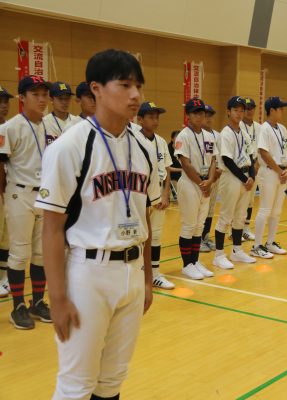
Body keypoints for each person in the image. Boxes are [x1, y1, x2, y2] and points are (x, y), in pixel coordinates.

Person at [37, 49, 160, 400]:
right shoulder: (70, 147)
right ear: (96, 89)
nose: (135, 95)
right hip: (88, 274)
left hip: (132, 271)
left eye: (138, 86)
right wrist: (57, 297)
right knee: (76, 384)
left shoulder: (144, 148)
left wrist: (146, 280)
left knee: (112, 381)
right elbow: (52, 227)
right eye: (125, 85)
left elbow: (144, 216)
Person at [0, 75, 53, 329]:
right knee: (20, 252)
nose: (42, 99)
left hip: (44, 195)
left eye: (45, 94)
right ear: (22, 98)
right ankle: (18, 306)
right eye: (36, 94)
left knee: (41, 253)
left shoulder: (50, 126)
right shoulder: (10, 128)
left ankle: (38, 301)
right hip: (19, 193)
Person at [174, 98, 218, 279]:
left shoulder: (209, 136)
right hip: (190, 184)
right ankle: (187, 265)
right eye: (195, 113)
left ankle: (195, 260)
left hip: (206, 184)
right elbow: (185, 163)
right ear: (188, 115)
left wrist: (210, 181)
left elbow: (214, 160)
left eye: (202, 113)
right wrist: (202, 183)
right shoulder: (183, 136)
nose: (200, 116)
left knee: (199, 226)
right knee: (189, 225)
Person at [212, 96, 257, 269]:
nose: (239, 113)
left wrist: (251, 176)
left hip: (245, 177)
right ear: (228, 112)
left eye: (241, 110)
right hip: (231, 177)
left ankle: (237, 251)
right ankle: (218, 255)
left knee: (240, 216)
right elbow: (227, 160)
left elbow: (251, 157)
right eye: (235, 110)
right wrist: (245, 179)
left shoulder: (244, 133)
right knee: (226, 216)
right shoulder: (225, 133)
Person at [137, 101, 175, 289]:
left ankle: (155, 273)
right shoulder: (134, 139)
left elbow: (167, 169)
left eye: (157, 117)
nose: (155, 121)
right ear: (140, 119)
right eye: (151, 117)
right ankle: (139, 274)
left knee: (157, 236)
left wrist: (165, 194)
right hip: (140, 195)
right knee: (140, 236)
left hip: (158, 192)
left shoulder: (160, 141)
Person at [251, 97, 287, 259]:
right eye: (280, 108)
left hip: (281, 173)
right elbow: (263, 152)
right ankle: (256, 246)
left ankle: (270, 242)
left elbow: (286, 150)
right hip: (269, 172)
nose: (283, 111)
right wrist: (279, 170)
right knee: (265, 209)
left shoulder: (282, 128)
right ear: (272, 110)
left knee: (276, 211)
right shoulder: (264, 129)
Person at [199, 104, 220, 252]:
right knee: (199, 209)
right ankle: (197, 238)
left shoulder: (217, 136)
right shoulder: (194, 135)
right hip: (198, 178)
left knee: (210, 209)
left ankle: (205, 236)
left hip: (215, 177)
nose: (208, 118)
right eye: (205, 115)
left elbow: (220, 157)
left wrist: (218, 172)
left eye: (210, 115)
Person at [240, 97, 261, 241]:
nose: (249, 111)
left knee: (250, 200)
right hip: (241, 167)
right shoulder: (238, 126)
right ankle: (234, 229)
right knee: (239, 200)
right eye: (246, 108)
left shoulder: (259, 127)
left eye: (251, 108)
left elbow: (261, 147)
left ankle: (246, 229)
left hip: (255, 166)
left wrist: (257, 163)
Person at [0, 84, 14, 298]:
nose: (3, 105)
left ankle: (3, 278)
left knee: (6, 237)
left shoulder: (10, 128)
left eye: (5, 101)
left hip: (9, 190)